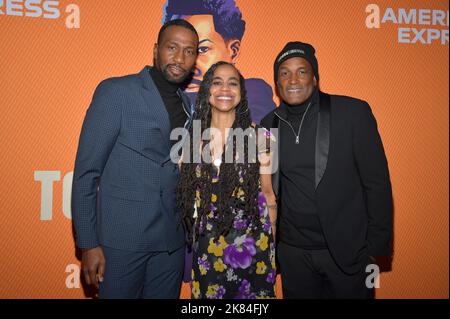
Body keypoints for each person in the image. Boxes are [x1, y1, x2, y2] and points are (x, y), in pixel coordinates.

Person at [71, 19, 199, 299]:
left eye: (189, 51)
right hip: (122, 242)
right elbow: (86, 173)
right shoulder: (117, 91)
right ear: (156, 50)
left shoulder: (188, 104)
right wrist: (89, 243)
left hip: (171, 243)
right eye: (172, 47)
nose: (180, 58)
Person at [261, 42, 393, 299]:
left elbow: (376, 182)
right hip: (293, 253)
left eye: (302, 71)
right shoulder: (269, 124)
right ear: (277, 82)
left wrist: (374, 247)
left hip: (347, 251)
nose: (293, 79)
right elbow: (269, 189)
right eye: (284, 73)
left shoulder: (352, 113)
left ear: (315, 77)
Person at [177, 61, 277, 299]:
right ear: (206, 92)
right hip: (208, 250)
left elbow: (268, 194)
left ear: (241, 94)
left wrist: (273, 248)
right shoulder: (192, 142)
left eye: (233, 83)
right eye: (217, 82)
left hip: (255, 248)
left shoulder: (259, 137)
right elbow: (187, 198)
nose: (225, 89)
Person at [162, 0, 276, 124]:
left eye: (202, 49)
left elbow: (264, 136)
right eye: (176, 49)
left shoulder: (251, 92)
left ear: (233, 50)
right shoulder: (158, 97)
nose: (187, 62)